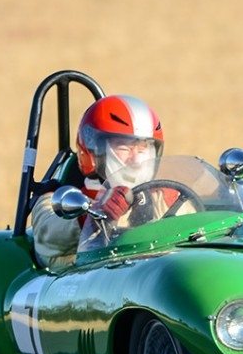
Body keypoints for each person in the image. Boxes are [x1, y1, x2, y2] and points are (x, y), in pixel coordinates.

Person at [31, 94, 166, 268]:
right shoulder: (56, 201)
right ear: (93, 153)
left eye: (143, 149)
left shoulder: (163, 199)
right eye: (124, 147)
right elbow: (48, 233)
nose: (136, 160)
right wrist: (95, 213)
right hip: (84, 287)